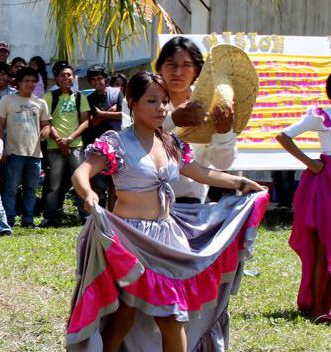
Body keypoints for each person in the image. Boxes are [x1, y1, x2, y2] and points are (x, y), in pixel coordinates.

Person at [66, 72, 267, 351]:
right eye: (152, 101)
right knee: (131, 315)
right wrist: (89, 195)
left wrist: (241, 183)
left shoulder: (171, 143)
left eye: (164, 101)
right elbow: (81, 172)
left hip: (168, 238)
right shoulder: (116, 143)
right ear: (132, 102)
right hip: (130, 240)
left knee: (161, 315)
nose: (161, 108)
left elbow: (198, 172)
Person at [276, 69, 331, 323]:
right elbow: (284, 136)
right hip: (327, 189)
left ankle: (329, 301)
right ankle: (316, 307)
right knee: (327, 248)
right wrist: (311, 163)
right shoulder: (322, 116)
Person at [156, 36, 238, 204]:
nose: (178, 72)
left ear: (197, 70)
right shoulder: (142, 98)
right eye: (171, 64)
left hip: (191, 204)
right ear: (160, 68)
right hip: (146, 202)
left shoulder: (212, 105)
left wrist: (224, 133)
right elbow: (132, 138)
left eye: (186, 65)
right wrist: (173, 120)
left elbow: (222, 163)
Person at [0, 67, 49, 228]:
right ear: (18, 82)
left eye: (33, 81)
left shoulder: (40, 103)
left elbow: (46, 125)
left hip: (35, 153)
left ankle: (28, 220)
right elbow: (0, 126)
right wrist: (1, 147)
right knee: (11, 189)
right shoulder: (7, 100)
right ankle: (9, 220)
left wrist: (46, 132)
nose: (30, 84)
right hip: (14, 152)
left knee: (31, 190)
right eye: (26, 80)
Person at [41, 62, 90, 226]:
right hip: (54, 148)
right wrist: (60, 141)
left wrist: (69, 139)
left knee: (80, 181)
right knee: (54, 185)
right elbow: (46, 121)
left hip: (75, 145)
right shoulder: (49, 97)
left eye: (69, 75)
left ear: (74, 77)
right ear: (56, 78)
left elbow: (85, 122)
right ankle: (50, 217)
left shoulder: (79, 97)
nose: (66, 78)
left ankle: (85, 216)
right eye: (62, 75)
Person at [84, 64, 125, 211]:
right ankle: (99, 214)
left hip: (116, 144)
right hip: (98, 146)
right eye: (93, 79)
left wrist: (102, 113)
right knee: (99, 184)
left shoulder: (116, 93)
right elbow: (92, 123)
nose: (97, 82)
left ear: (106, 79)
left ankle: (113, 214)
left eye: (100, 78)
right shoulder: (89, 99)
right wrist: (108, 112)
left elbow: (124, 115)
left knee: (115, 183)